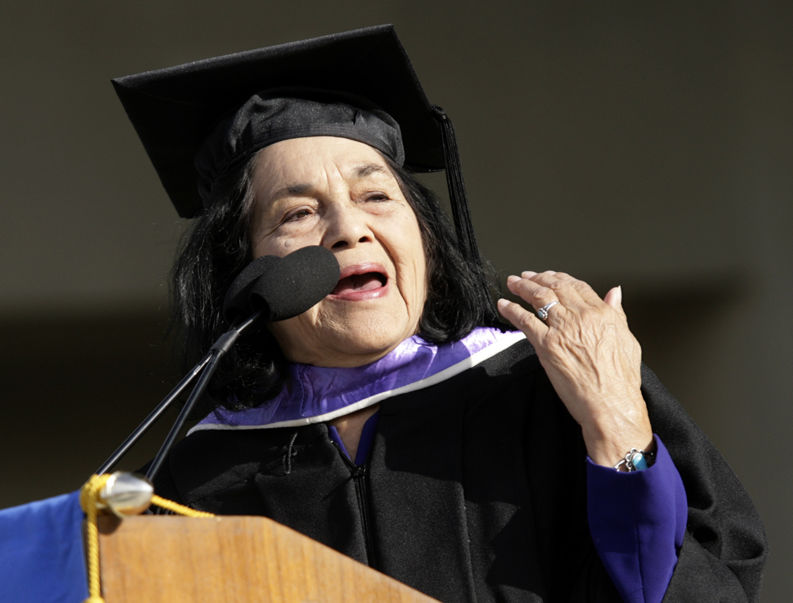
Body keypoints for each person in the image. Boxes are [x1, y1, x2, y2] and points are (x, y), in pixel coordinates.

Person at [114, 25, 766, 602]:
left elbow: (684, 586)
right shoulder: (195, 479)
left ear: (424, 238)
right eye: (299, 212)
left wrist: (614, 421)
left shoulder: (539, 389)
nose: (350, 230)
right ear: (244, 265)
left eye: (376, 196)